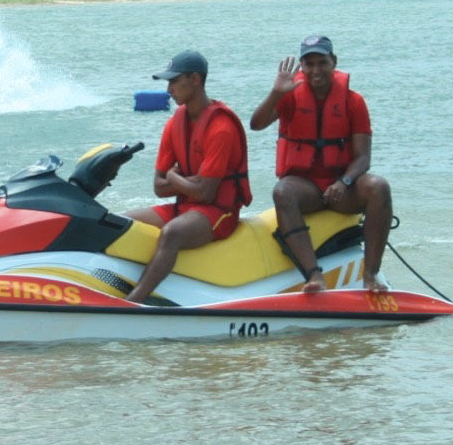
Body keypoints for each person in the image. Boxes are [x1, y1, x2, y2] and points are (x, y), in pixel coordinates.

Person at [249, 35, 393, 293]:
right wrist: (275, 93)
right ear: (302, 67)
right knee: (282, 191)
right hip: (306, 187)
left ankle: (370, 275)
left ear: (333, 62)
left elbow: (363, 158)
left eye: (322, 63)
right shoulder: (289, 95)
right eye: (309, 64)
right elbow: (256, 124)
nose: (316, 70)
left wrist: (344, 181)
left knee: (379, 187)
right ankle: (314, 276)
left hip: (343, 187)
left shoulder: (353, 101)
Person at [123, 50, 252, 303]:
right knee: (120, 223)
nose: (169, 88)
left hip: (219, 212)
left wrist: (175, 178)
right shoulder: (174, 124)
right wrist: (186, 182)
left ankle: (133, 301)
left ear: (195, 79)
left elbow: (206, 193)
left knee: (171, 233)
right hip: (185, 206)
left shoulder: (221, 128)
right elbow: (158, 188)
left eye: (174, 81)